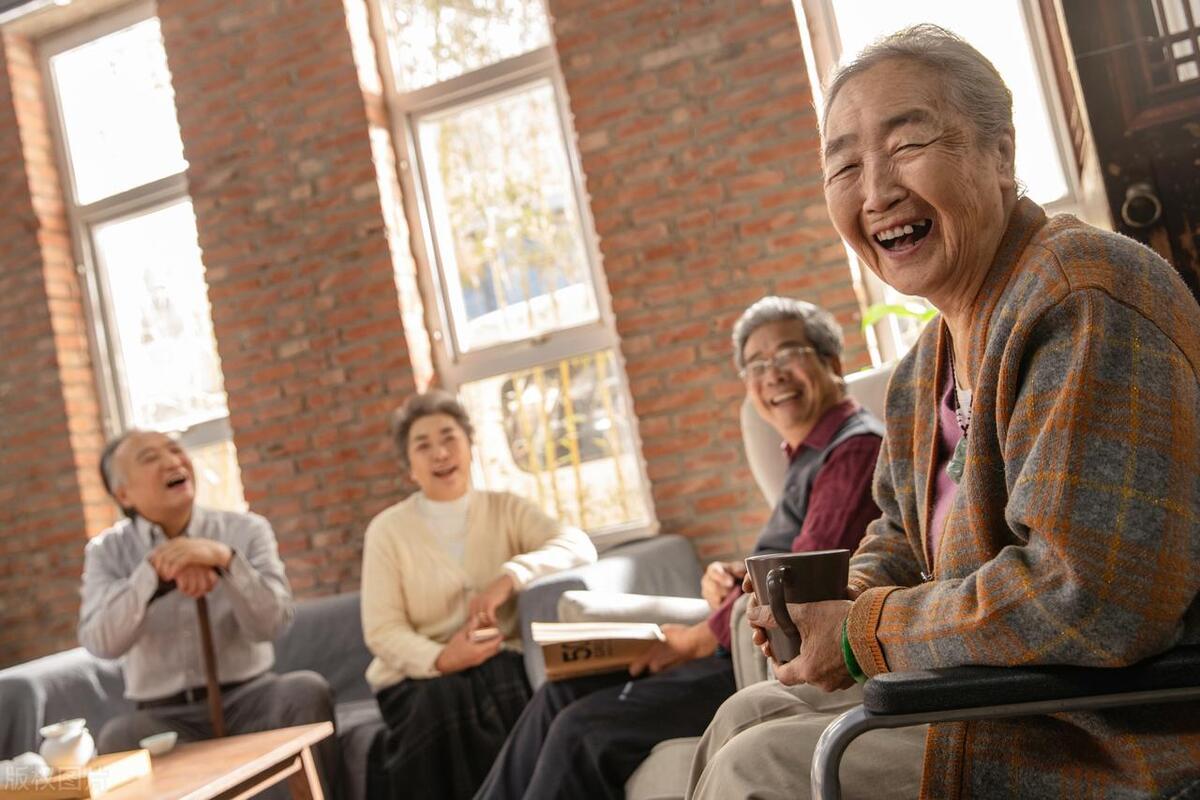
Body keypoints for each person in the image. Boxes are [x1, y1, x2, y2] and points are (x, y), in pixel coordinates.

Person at [688, 24, 1200, 800]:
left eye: (907, 145)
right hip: (988, 697)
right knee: (745, 713)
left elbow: (1092, 598)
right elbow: (898, 538)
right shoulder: (923, 365)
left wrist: (862, 633)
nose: (875, 192)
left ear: (1001, 155)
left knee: (754, 766)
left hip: (1096, 735)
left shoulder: (1084, 296)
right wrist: (838, 599)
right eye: (845, 166)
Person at [474, 297, 885, 800]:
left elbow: (799, 585)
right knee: (556, 695)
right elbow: (798, 558)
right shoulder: (809, 456)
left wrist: (689, 641)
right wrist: (737, 576)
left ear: (832, 362)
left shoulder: (853, 451)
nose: (772, 375)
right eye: (756, 365)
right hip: (735, 644)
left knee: (583, 730)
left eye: (787, 355)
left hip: (756, 665)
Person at [361, 390, 597, 800]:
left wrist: (509, 577)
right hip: (417, 679)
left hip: (495, 663)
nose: (440, 453)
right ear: (410, 467)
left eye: (449, 437)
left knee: (502, 678)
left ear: (469, 447)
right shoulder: (387, 531)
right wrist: (442, 658)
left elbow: (577, 545)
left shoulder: (506, 509)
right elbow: (382, 630)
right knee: (449, 695)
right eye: (423, 445)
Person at [81, 430, 338, 798]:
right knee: (119, 737)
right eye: (150, 458)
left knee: (304, 691)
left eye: (175, 449)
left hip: (251, 698)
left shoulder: (246, 529)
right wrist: (153, 574)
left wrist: (226, 560)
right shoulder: (106, 552)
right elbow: (100, 642)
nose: (172, 461)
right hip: (163, 717)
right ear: (124, 495)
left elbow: (274, 624)